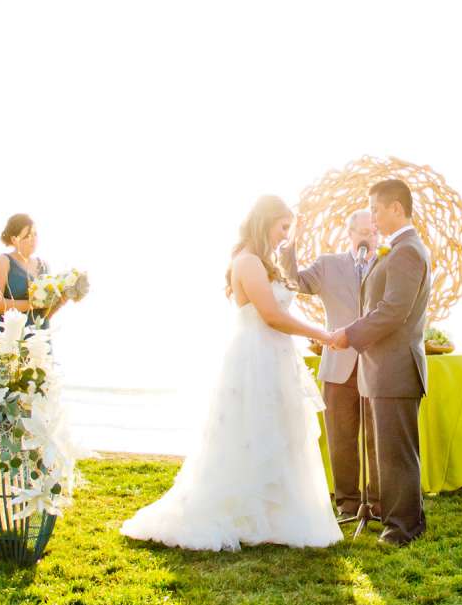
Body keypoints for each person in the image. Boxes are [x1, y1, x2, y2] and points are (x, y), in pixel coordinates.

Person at [122, 194, 339, 552]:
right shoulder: (248, 262)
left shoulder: (263, 262)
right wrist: (323, 335)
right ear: (265, 222)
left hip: (275, 356)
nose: (285, 236)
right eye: (283, 227)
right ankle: (244, 513)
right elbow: (271, 315)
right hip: (255, 359)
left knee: (277, 431)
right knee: (250, 432)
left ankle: (273, 516)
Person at [328, 178, 433, 546]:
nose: (372, 217)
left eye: (375, 208)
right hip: (382, 368)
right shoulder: (400, 248)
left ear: (396, 208)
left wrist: (350, 334)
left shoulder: (406, 251)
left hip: (395, 368)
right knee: (384, 450)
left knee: (396, 453)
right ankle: (397, 515)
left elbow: (393, 311)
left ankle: (403, 527)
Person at [281, 207, 380, 523]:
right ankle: (347, 504)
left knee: (377, 439)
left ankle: (377, 502)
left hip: (377, 366)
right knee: (340, 437)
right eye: (363, 232)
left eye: (374, 232)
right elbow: (293, 281)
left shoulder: (389, 264)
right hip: (339, 365)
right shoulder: (328, 265)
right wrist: (289, 246)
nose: (368, 237)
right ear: (350, 234)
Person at [0, 213, 62, 331]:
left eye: (35, 234)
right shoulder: (4, 261)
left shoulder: (44, 266)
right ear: (14, 239)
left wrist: (63, 299)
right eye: (27, 236)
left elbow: (45, 314)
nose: (33, 240)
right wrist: (32, 304)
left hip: (39, 337)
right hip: (10, 337)